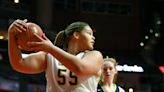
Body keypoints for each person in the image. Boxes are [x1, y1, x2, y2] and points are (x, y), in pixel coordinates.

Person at [8, 19, 104, 92]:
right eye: (89, 33)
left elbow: (80, 68)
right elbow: (19, 63)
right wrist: (11, 36)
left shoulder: (95, 55)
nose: (93, 37)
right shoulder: (49, 56)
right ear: (76, 35)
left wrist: (51, 48)